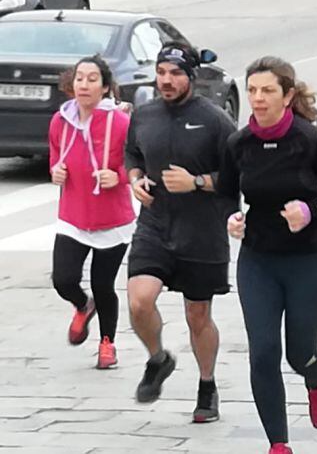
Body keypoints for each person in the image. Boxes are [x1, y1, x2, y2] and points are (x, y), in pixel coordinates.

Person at [218, 58, 317, 454]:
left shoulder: (310, 139)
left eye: (267, 91)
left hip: (309, 260)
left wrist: (311, 210)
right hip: (258, 261)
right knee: (263, 352)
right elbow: (227, 191)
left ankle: (315, 376)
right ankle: (278, 444)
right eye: (252, 90)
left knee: (300, 353)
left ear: (288, 95)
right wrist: (232, 216)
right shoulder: (238, 143)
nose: (258, 99)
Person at [124, 43, 235, 420]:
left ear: (191, 76)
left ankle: (207, 387)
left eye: (175, 73)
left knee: (197, 315)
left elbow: (238, 175)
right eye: (162, 73)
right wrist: (135, 180)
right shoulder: (144, 115)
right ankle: (158, 358)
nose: (167, 81)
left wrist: (198, 182)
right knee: (139, 300)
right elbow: (133, 155)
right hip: (155, 224)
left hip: (202, 231)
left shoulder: (215, 119)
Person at [49, 55, 134, 370]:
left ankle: (107, 343)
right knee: (63, 279)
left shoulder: (119, 122)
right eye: (79, 78)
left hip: (111, 219)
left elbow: (138, 162)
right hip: (73, 216)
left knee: (103, 283)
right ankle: (83, 306)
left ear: (105, 87)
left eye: (92, 79)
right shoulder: (60, 121)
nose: (84, 85)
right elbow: (57, 156)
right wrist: (55, 171)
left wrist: (119, 176)